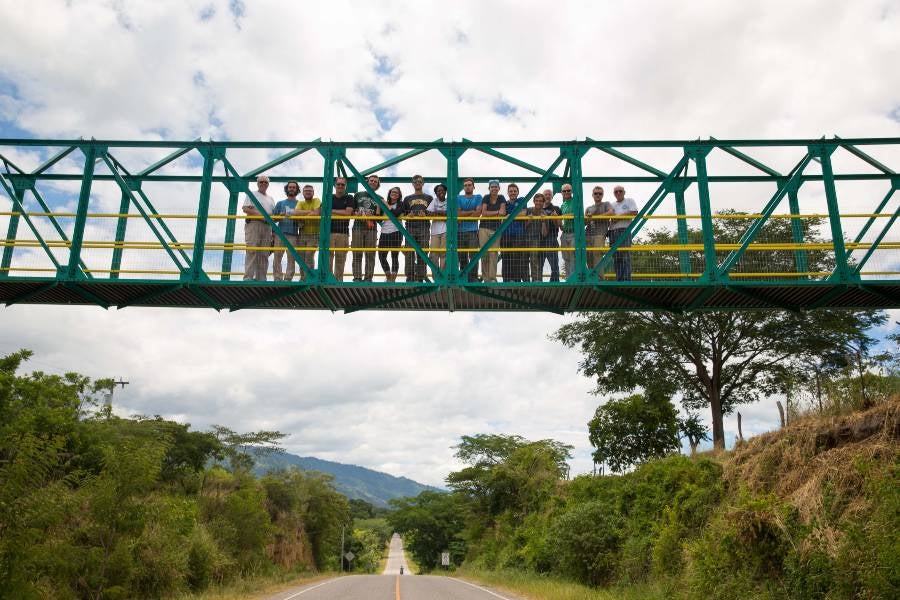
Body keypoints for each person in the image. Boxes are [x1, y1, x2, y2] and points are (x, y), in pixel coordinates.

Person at [242, 175, 276, 281]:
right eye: (261, 182)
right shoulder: (252, 194)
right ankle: (248, 277)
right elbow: (246, 208)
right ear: (257, 184)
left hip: (267, 227)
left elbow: (273, 215)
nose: (263, 184)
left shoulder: (271, 198)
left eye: (265, 182)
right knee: (252, 250)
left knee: (264, 253)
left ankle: (261, 278)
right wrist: (263, 216)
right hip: (254, 224)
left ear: (268, 185)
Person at [401, 175, 432, 282]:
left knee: (423, 253)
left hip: (424, 227)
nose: (417, 183)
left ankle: (421, 277)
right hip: (410, 227)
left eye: (419, 181)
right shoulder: (407, 198)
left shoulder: (429, 198)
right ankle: (410, 276)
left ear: (423, 183)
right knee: (409, 252)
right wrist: (408, 215)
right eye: (415, 182)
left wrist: (426, 215)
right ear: (412, 184)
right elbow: (402, 214)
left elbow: (432, 213)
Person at [352, 174, 382, 282]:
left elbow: (381, 217)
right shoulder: (358, 195)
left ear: (378, 184)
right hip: (357, 226)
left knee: (370, 254)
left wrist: (372, 216)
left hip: (371, 228)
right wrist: (357, 214)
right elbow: (352, 211)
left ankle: (368, 278)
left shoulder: (380, 198)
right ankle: (357, 277)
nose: (373, 182)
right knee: (357, 253)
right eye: (371, 180)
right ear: (367, 181)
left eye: (375, 181)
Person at [272, 180, 301, 281]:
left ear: (297, 190)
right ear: (287, 189)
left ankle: (288, 278)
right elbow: (273, 219)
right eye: (290, 187)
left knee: (291, 258)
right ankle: (277, 278)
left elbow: (302, 220)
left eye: (294, 187)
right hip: (280, 233)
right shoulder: (280, 203)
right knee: (277, 257)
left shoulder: (299, 204)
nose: (292, 189)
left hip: (293, 234)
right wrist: (279, 216)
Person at [608, 185, 638, 281]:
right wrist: (618, 217)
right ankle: (619, 279)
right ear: (614, 194)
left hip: (624, 230)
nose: (618, 193)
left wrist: (618, 217)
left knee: (625, 255)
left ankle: (626, 280)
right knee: (616, 256)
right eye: (616, 192)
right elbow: (611, 217)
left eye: (620, 191)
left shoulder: (629, 201)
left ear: (624, 192)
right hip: (613, 231)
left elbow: (634, 212)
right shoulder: (612, 205)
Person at [328, 177, 355, 281]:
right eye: (338, 184)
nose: (340, 186)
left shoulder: (349, 198)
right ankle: (328, 279)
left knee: (341, 258)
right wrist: (340, 212)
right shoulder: (328, 197)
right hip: (328, 232)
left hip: (343, 233)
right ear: (335, 185)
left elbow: (348, 213)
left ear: (345, 186)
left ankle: (338, 280)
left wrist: (331, 210)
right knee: (328, 258)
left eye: (342, 185)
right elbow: (322, 210)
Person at [479, 179, 506, 282]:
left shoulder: (501, 198)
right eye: (492, 187)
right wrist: (497, 212)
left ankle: (492, 278)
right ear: (489, 188)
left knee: (493, 254)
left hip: (496, 229)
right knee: (484, 253)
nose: (494, 188)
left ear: (499, 188)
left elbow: (503, 213)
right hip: (484, 228)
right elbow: (484, 213)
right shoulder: (486, 197)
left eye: (496, 187)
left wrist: (495, 212)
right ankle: (485, 278)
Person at [456, 178, 482, 282]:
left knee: (473, 256)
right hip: (460, 231)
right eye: (465, 185)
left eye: (469, 185)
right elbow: (458, 214)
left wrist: (464, 213)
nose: (467, 186)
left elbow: (477, 214)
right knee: (462, 256)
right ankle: (463, 277)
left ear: (473, 186)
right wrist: (472, 211)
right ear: (463, 187)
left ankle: (473, 278)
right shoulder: (458, 198)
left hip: (473, 231)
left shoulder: (478, 197)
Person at [501, 183, 527, 281]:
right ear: (508, 193)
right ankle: (506, 280)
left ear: (518, 192)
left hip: (518, 234)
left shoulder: (521, 200)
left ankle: (516, 280)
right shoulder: (505, 203)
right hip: (506, 234)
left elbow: (524, 213)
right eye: (510, 191)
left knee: (516, 258)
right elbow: (501, 214)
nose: (512, 193)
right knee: (505, 258)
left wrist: (509, 216)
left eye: (514, 191)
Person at [294, 184, 321, 281]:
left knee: (309, 256)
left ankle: (310, 278)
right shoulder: (301, 202)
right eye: (306, 191)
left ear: (313, 193)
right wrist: (310, 213)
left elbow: (317, 212)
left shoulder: (317, 200)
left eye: (310, 191)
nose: (308, 192)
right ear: (303, 193)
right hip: (302, 234)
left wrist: (303, 214)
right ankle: (303, 278)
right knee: (301, 257)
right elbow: (295, 212)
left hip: (314, 234)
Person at [585, 186, 612, 275]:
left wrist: (596, 217)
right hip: (588, 234)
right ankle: (591, 278)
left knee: (597, 256)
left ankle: (599, 279)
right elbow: (584, 222)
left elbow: (611, 212)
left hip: (600, 234)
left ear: (602, 195)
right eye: (596, 193)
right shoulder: (589, 208)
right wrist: (588, 218)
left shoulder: (606, 204)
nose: (598, 195)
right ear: (592, 195)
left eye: (600, 193)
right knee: (589, 257)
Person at [379, 186, 404, 282]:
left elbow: (396, 213)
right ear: (389, 193)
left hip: (396, 231)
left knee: (394, 255)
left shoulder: (400, 204)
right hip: (384, 231)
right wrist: (378, 205)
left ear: (399, 195)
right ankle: (388, 275)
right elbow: (378, 216)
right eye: (392, 191)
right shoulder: (385, 204)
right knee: (381, 255)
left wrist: (385, 204)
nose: (394, 193)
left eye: (396, 192)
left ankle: (393, 278)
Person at [427, 183, 448, 278]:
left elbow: (449, 213)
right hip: (435, 231)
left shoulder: (449, 201)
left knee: (444, 254)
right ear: (436, 193)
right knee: (433, 255)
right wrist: (442, 213)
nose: (441, 192)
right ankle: (436, 276)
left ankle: (443, 275)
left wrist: (436, 213)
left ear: (445, 191)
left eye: (442, 190)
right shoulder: (434, 201)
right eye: (438, 191)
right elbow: (428, 213)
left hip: (446, 230)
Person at [540, 189, 561, 281]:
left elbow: (559, 225)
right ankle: (538, 281)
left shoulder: (556, 208)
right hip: (539, 239)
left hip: (551, 238)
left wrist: (555, 218)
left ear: (552, 197)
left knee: (554, 263)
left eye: (549, 194)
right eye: (545, 194)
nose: (547, 196)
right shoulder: (538, 209)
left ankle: (555, 280)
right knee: (539, 263)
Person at [525, 194, 546, 282]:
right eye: (536, 201)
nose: (538, 203)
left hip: (535, 240)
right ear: (534, 201)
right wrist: (528, 221)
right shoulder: (528, 210)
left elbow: (544, 233)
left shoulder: (544, 214)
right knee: (523, 261)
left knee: (534, 260)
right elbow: (523, 227)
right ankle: (525, 281)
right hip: (524, 239)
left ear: (543, 202)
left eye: (540, 201)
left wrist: (543, 222)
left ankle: (536, 279)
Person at [559, 184, 576, 279]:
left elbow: (576, 213)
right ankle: (569, 278)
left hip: (574, 232)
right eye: (564, 191)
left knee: (573, 256)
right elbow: (562, 221)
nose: (566, 192)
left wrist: (564, 217)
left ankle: (574, 277)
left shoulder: (576, 201)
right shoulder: (563, 205)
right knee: (566, 257)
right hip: (565, 233)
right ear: (561, 193)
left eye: (568, 190)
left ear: (571, 191)